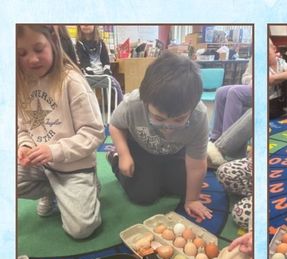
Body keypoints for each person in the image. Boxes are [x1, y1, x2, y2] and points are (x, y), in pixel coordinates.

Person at [16, 24, 103, 239]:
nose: (32, 59)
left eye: (39, 49)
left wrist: (54, 151)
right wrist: (24, 145)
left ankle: (89, 185)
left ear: (53, 42)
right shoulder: (21, 84)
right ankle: (53, 190)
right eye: (21, 53)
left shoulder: (71, 81)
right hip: (42, 166)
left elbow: (94, 133)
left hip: (74, 167)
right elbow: (22, 129)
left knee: (81, 229)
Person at [107, 52, 213, 222]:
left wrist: (192, 199)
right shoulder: (132, 104)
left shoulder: (199, 116)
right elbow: (115, 125)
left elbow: (196, 166)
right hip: (140, 148)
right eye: (159, 118)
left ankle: (157, 175)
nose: (168, 127)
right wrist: (124, 154)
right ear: (145, 102)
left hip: (174, 152)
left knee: (186, 187)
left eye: (178, 120)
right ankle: (113, 158)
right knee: (143, 194)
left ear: (192, 109)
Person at [74, 25, 124, 104]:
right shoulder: (79, 44)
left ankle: (120, 105)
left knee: (116, 86)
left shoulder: (100, 42)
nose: (86, 25)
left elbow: (106, 60)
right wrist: (90, 72)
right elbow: (84, 62)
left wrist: (106, 70)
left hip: (104, 74)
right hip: (88, 75)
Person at [267, 40, 287, 121]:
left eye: (268, 54)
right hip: (270, 100)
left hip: (282, 97)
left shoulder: (281, 61)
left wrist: (275, 78)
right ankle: (280, 111)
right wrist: (282, 77)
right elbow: (269, 81)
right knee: (271, 114)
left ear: (274, 49)